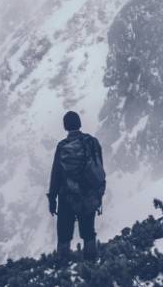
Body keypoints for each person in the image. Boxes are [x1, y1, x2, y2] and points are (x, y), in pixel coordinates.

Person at [47, 111, 106, 260]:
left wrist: (52, 198)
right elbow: (99, 167)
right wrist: (99, 192)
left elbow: (56, 174)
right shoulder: (92, 142)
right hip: (89, 194)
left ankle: (63, 267)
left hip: (67, 195)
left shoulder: (62, 146)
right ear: (79, 123)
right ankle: (91, 264)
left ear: (65, 126)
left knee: (64, 232)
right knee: (88, 231)